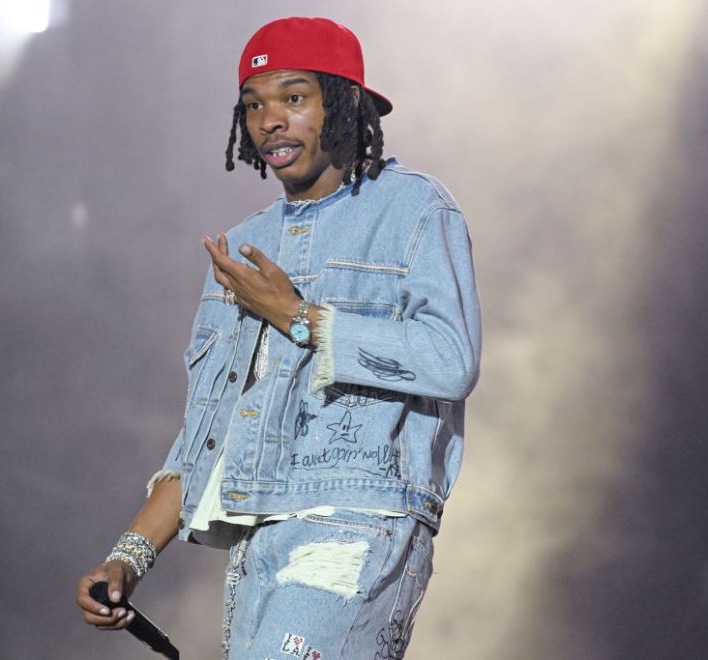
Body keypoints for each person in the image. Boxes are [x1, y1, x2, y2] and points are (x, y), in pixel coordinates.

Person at [76, 16, 481, 659]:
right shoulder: (240, 247)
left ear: (343, 103)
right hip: (256, 539)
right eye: (254, 104)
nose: (269, 120)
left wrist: (301, 318)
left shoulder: (415, 210)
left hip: (358, 523)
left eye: (294, 98)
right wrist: (127, 558)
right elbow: (208, 431)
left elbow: (450, 359)